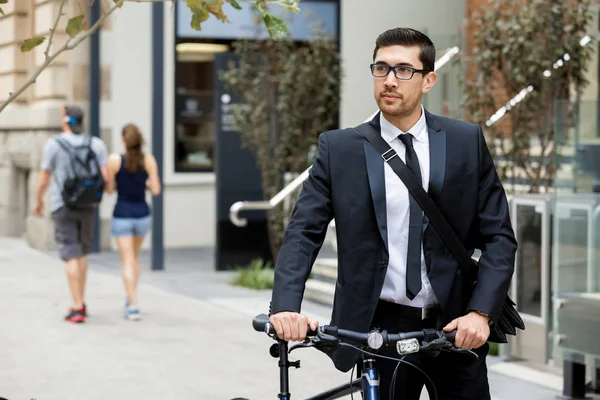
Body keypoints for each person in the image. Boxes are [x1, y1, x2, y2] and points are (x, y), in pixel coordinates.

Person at [268, 27, 517, 399]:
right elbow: (304, 232)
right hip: (378, 330)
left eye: (403, 70)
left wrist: (480, 313)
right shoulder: (340, 149)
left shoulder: (466, 141)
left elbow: (499, 236)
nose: (389, 80)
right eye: (381, 69)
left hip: (454, 326)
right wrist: (286, 306)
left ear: (428, 80)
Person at [35, 105, 108, 323]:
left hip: (63, 205)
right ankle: (81, 300)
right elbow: (105, 177)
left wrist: (38, 200)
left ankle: (77, 306)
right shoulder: (96, 143)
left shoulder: (54, 144)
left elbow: (44, 178)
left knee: (71, 253)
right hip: (88, 205)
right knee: (82, 253)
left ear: (65, 121)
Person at [105, 123, 161, 320]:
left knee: (127, 260)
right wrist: (144, 183)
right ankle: (131, 298)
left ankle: (133, 304)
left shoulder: (114, 160)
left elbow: (110, 189)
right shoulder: (149, 160)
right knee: (135, 258)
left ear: (123, 140)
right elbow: (156, 190)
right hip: (142, 214)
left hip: (122, 214)